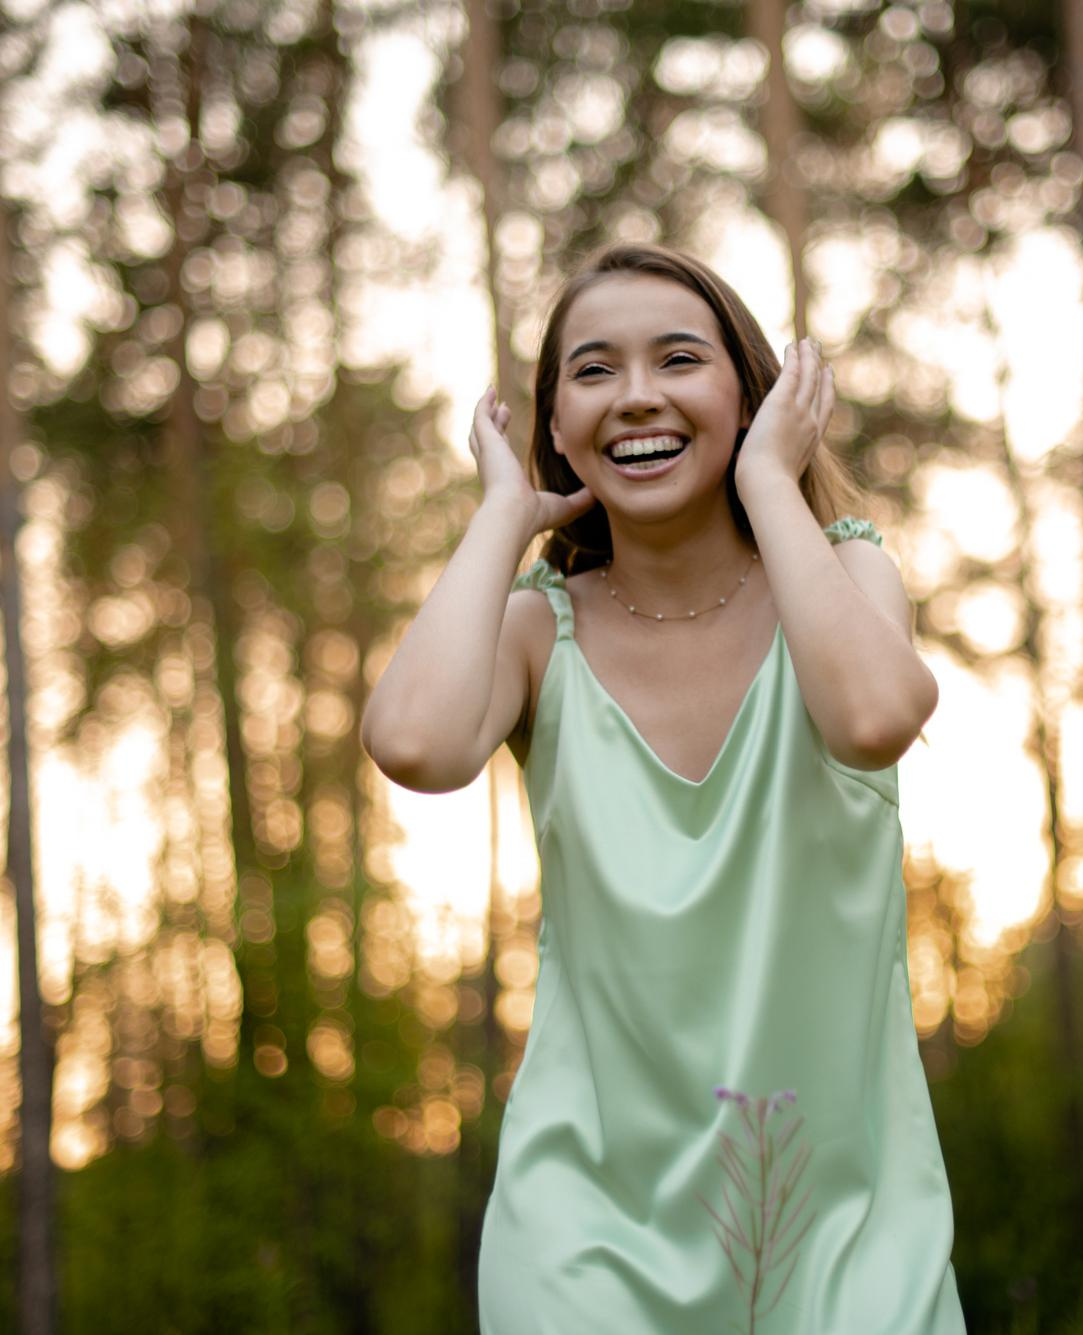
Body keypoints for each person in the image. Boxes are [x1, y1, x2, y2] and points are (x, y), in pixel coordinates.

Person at [361, 242, 965, 1332]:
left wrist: (770, 482)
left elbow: (873, 720)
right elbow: (413, 744)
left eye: (677, 359)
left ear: (752, 393)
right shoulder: (534, 635)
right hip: (584, 1238)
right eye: (592, 371)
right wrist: (504, 515)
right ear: (553, 423)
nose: (635, 395)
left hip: (841, 1226)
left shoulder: (847, 578)